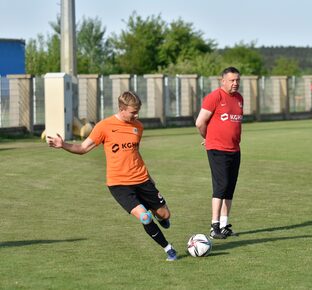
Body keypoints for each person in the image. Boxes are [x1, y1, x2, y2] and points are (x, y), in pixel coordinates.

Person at [47, 91, 177, 261]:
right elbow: (83, 149)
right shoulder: (104, 126)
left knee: (165, 215)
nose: (136, 115)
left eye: (138, 111)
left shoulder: (138, 126)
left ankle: (160, 217)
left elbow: (134, 153)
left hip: (142, 179)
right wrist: (63, 144)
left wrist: (149, 177)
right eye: (133, 112)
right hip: (119, 184)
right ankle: (168, 249)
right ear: (122, 109)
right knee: (145, 217)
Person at [195, 67, 243, 239]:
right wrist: (208, 138)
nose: (235, 83)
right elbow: (200, 122)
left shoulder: (239, 98)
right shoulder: (215, 97)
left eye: (237, 80)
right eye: (232, 80)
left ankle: (224, 225)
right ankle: (214, 226)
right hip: (217, 149)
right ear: (223, 81)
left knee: (230, 187)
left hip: (235, 149)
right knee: (221, 186)